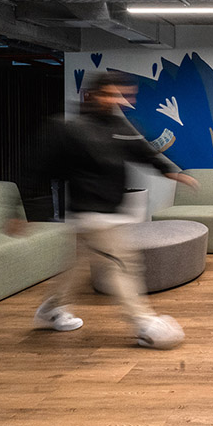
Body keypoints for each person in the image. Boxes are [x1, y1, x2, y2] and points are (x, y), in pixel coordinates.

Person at [30, 71, 199, 349]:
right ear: (94, 95)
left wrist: (171, 172)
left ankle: (50, 309)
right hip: (91, 213)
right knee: (122, 265)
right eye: (111, 94)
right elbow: (42, 168)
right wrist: (23, 210)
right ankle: (144, 324)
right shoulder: (72, 130)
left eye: (122, 95)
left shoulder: (119, 126)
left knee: (77, 267)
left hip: (109, 211)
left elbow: (142, 152)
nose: (118, 100)